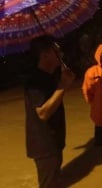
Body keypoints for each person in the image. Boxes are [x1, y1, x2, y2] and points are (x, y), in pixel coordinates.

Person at [24, 35, 75, 188]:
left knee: (55, 181)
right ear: (45, 54)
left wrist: (62, 81)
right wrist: (63, 86)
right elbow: (43, 113)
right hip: (44, 145)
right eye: (56, 51)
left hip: (54, 141)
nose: (61, 55)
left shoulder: (50, 76)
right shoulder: (35, 81)